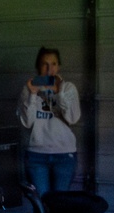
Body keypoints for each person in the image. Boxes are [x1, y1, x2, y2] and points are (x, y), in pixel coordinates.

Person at [17, 47, 81, 196]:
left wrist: (59, 92)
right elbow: (27, 122)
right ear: (38, 66)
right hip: (36, 154)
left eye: (53, 64)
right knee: (40, 203)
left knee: (61, 204)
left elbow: (72, 118)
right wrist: (33, 94)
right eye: (44, 64)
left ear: (58, 66)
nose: (49, 69)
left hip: (64, 154)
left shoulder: (69, 88)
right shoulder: (28, 89)